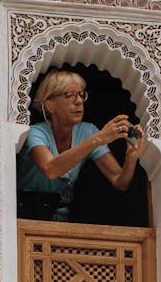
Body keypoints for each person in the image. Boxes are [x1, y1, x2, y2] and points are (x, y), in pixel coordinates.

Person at [17, 69, 145, 221]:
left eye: (81, 95)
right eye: (69, 95)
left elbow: (120, 181)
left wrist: (131, 157)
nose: (78, 101)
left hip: (59, 219)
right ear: (49, 105)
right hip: (23, 216)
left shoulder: (88, 131)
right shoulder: (35, 132)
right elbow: (50, 169)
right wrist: (98, 139)